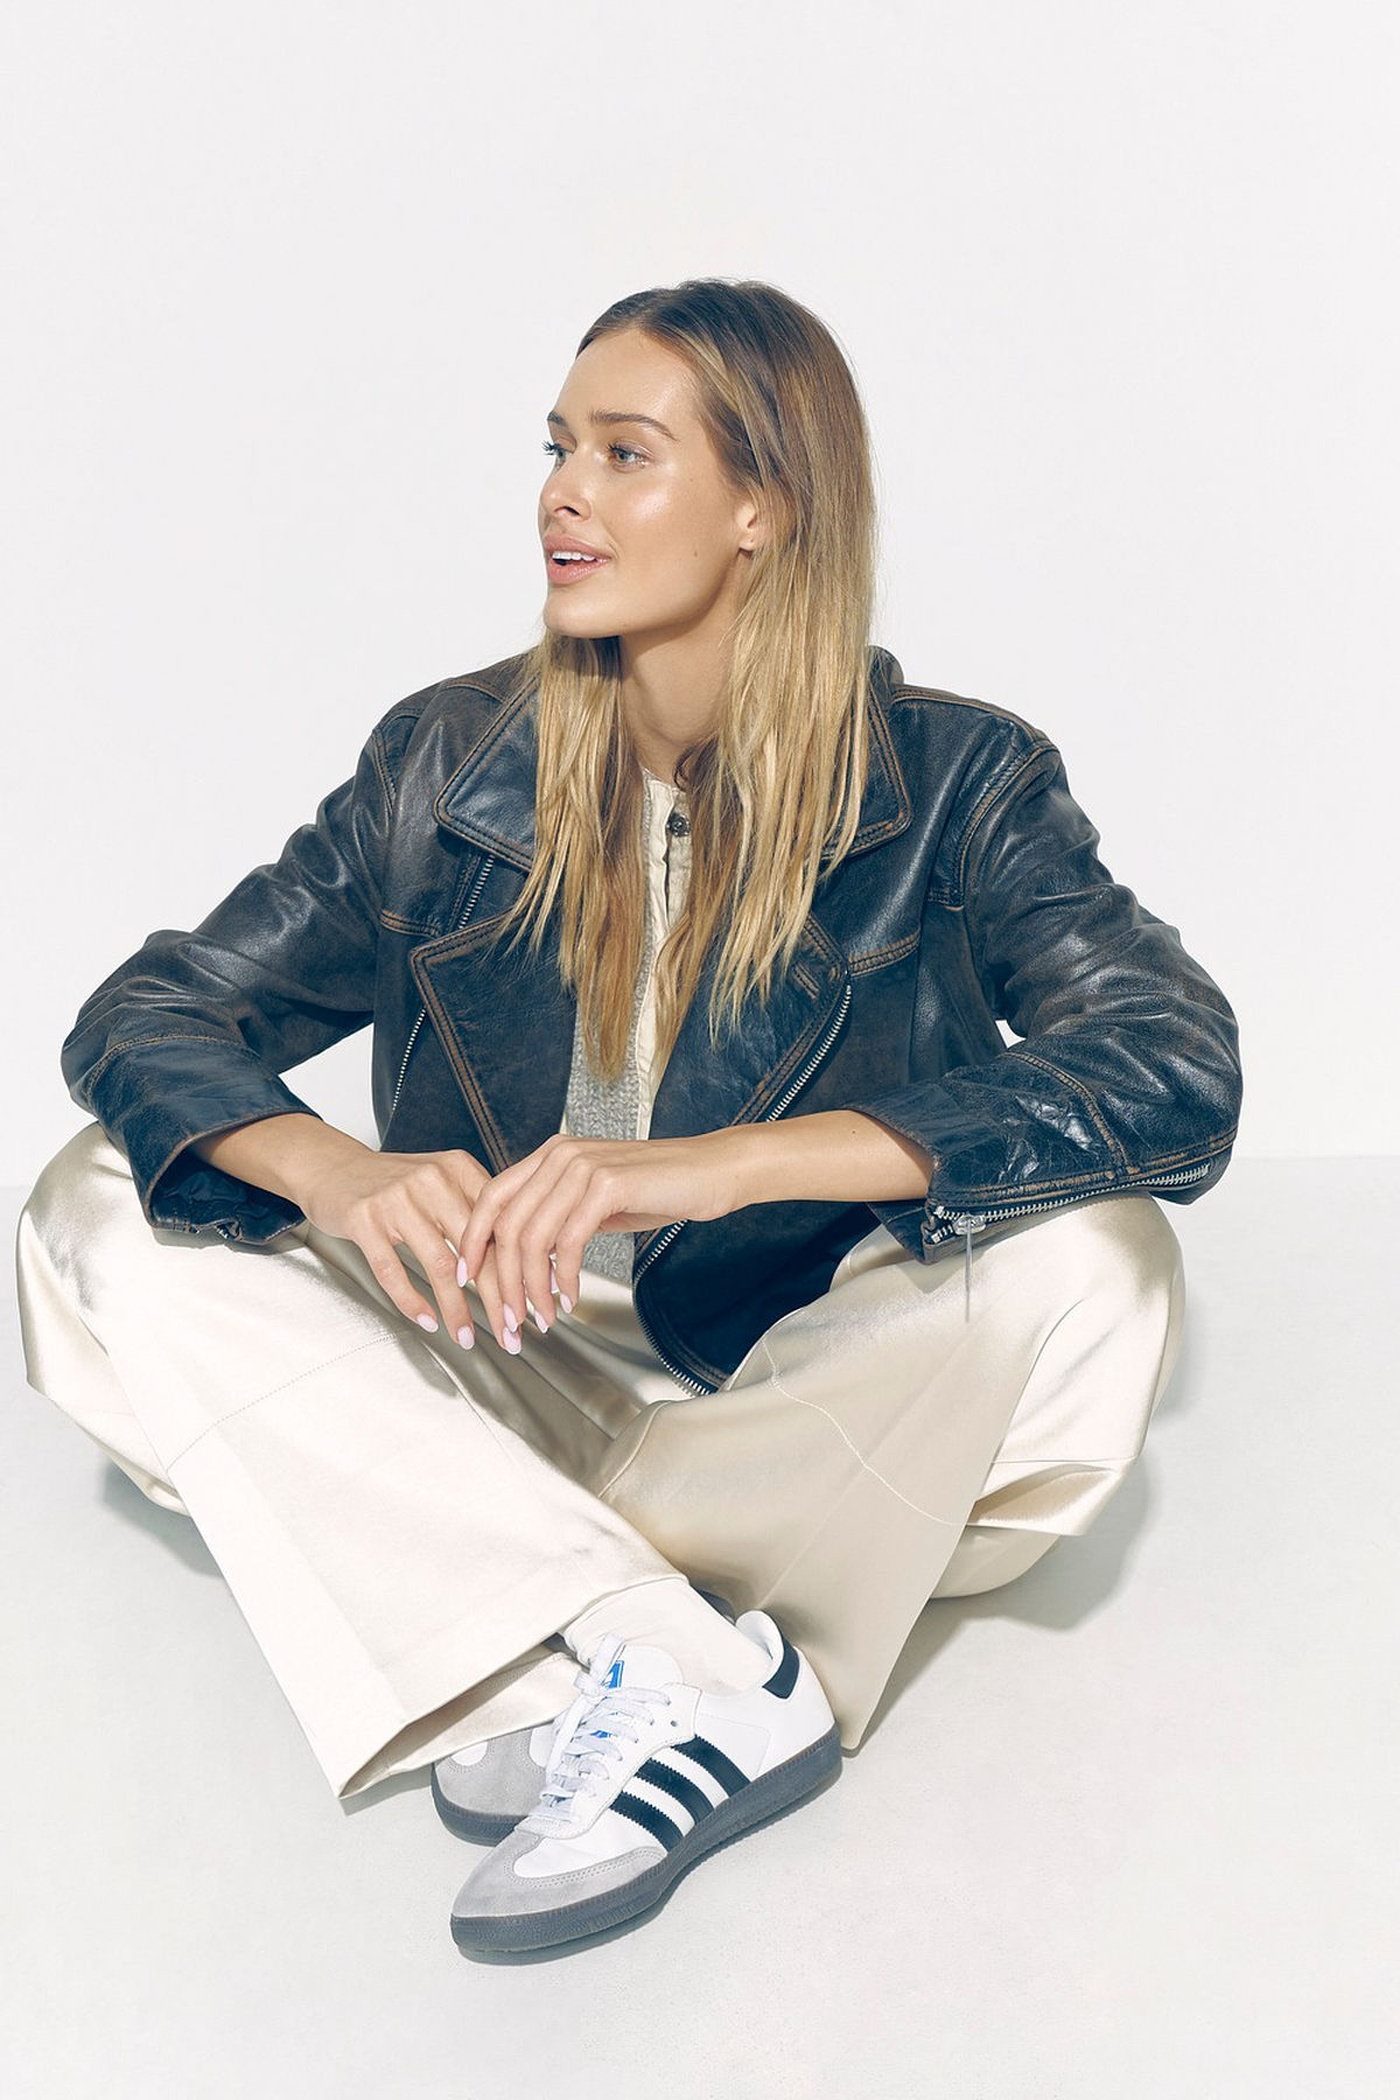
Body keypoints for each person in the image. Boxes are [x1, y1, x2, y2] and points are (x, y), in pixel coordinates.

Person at [14, 278, 1242, 1956]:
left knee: (1100, 1269)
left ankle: (507, 1618)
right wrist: (341, 1174)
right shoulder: (447, 762)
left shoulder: (960, 782)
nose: (562, 496)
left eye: (623, 452)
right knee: (93, 1207)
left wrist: (716, 1170)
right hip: (484, 1363)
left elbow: (1172, 1063)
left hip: (785, 1383)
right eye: (556, 449)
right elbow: (149, 1012)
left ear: (763, 506)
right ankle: (675, 1656)